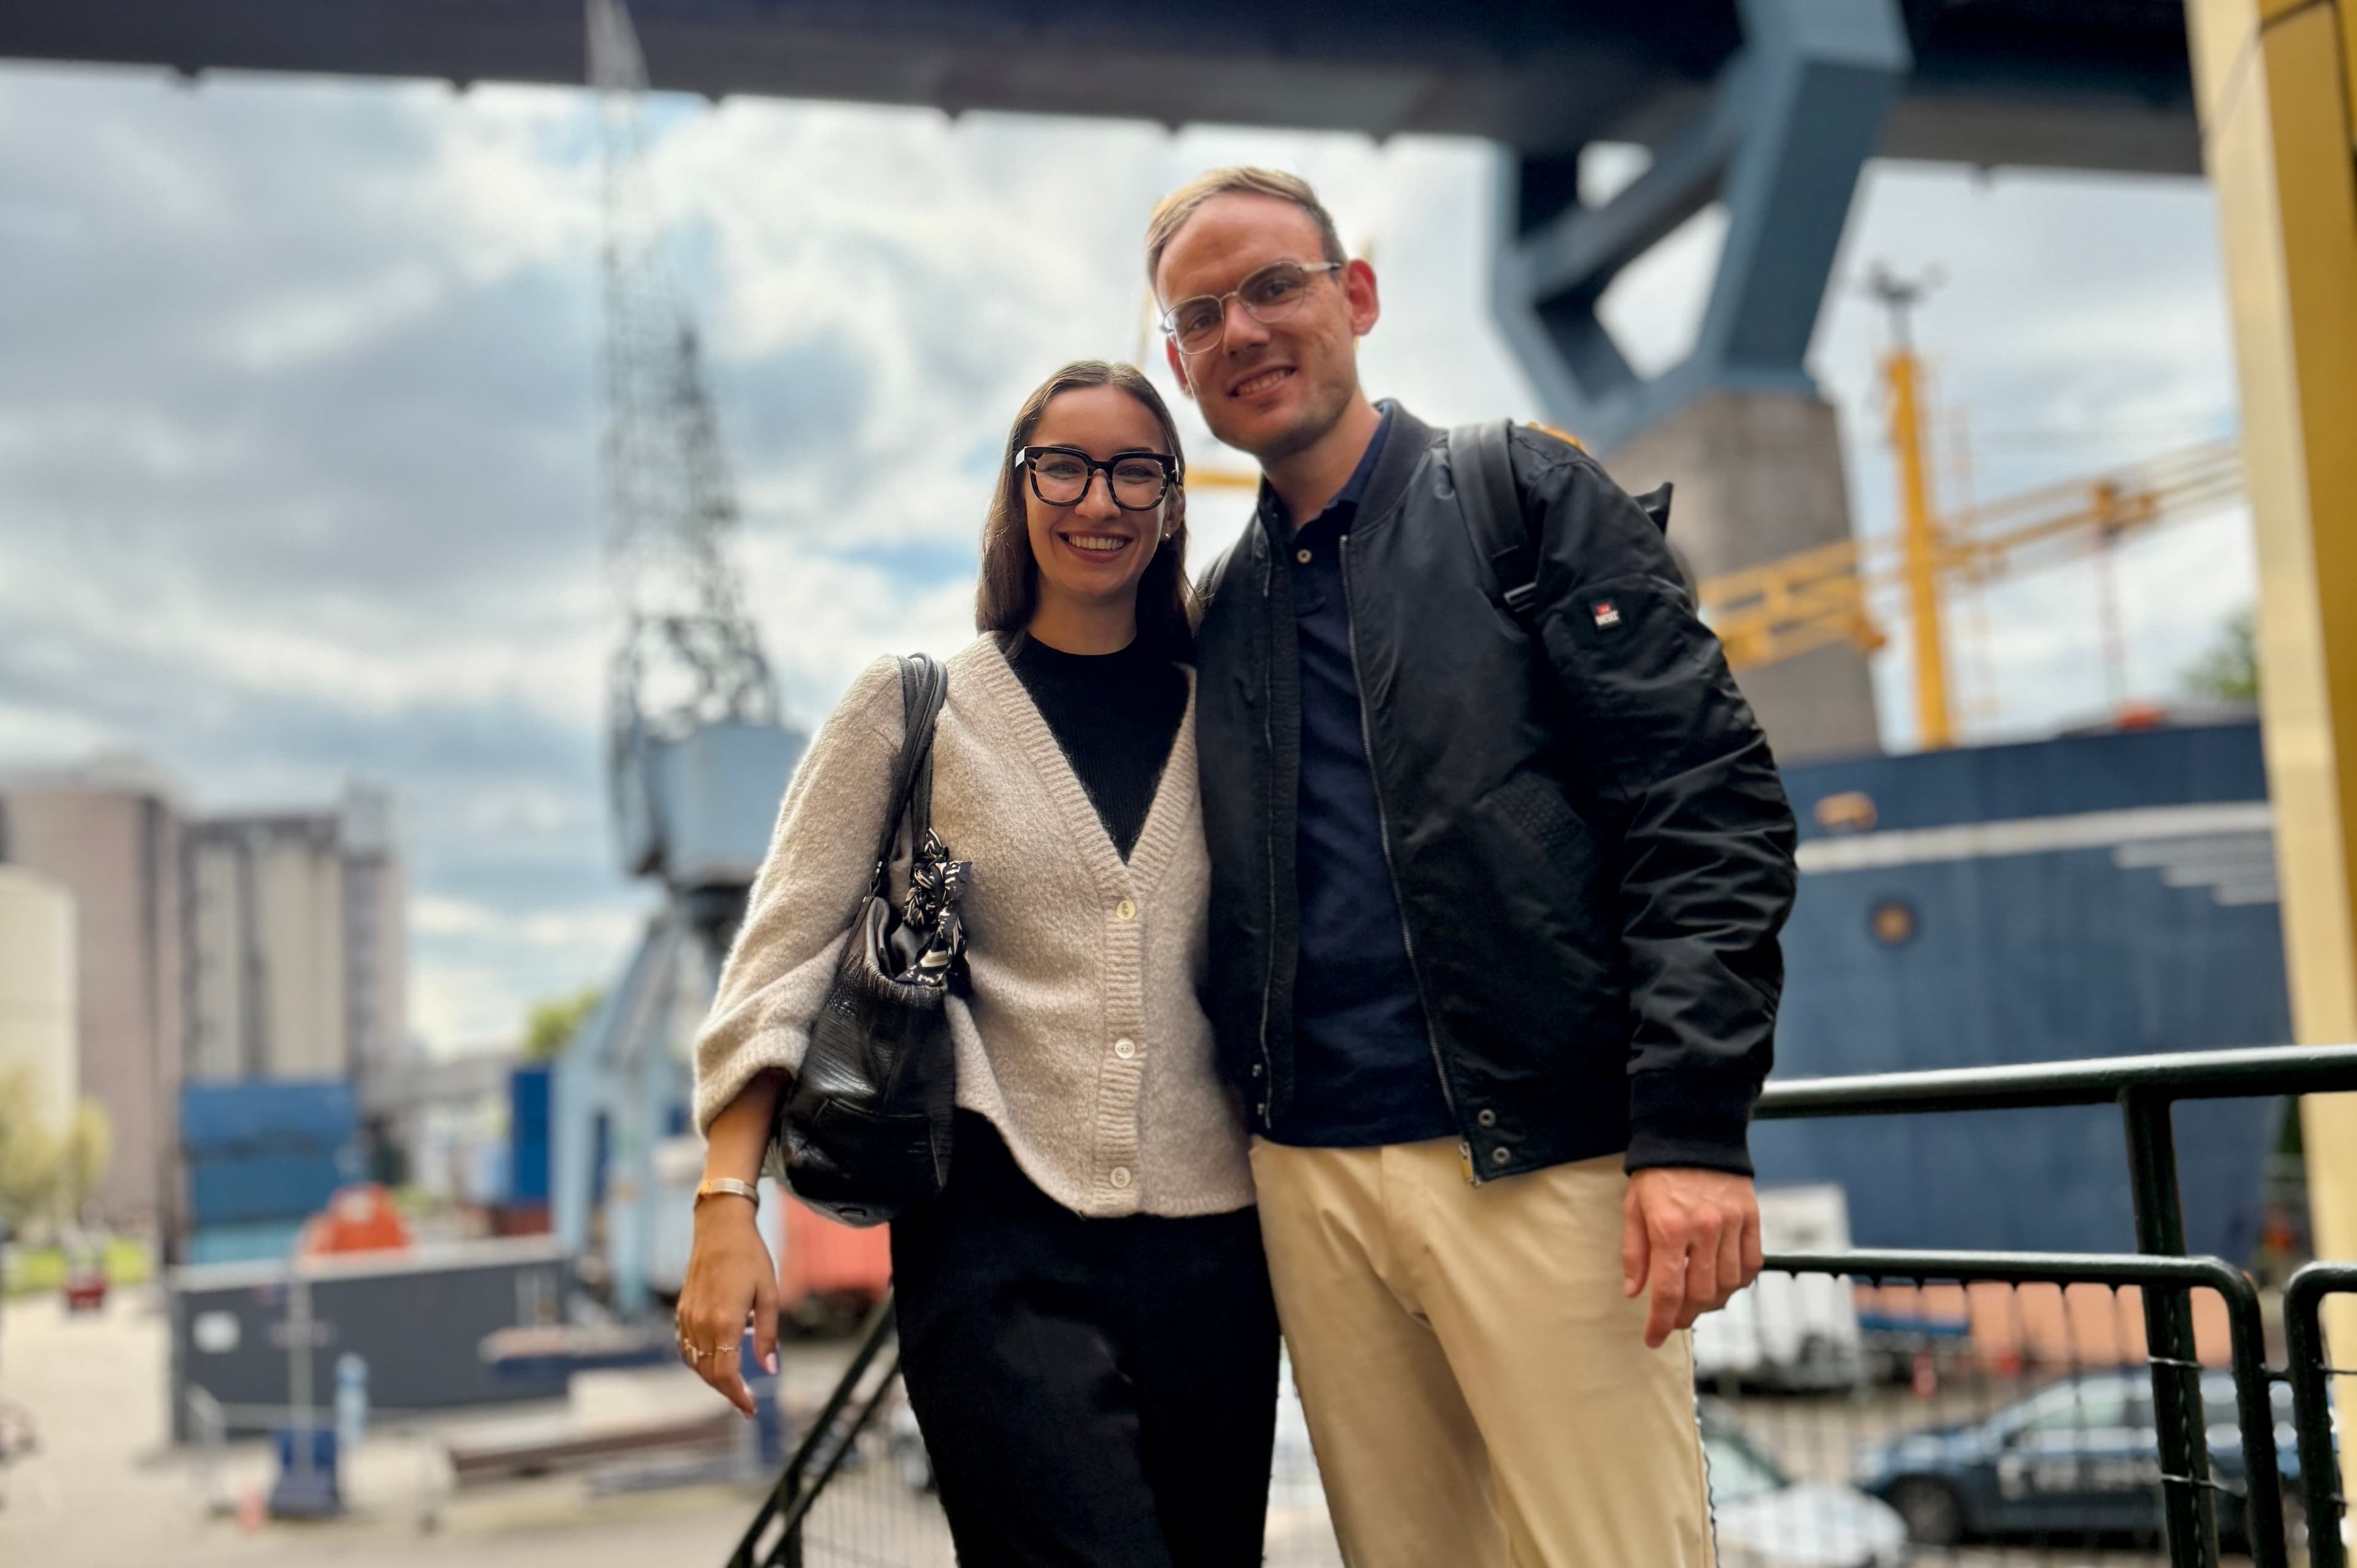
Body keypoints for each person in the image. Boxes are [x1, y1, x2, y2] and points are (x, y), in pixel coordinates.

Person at [1147, 166, 1800, 1568]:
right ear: (1180, 363)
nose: (1244, 330)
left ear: (1357, 295)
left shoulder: (1522, 495)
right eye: (1202, 314)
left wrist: (1690, 1126)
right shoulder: (1228, 609)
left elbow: (1707, 804)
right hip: (1310, 1186)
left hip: (1539, 1163)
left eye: (1275, 285)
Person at [678, 359, 1280, 1568]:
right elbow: (780, 965)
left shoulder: (1236, 708)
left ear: (1172, 502)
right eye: (1065, 464)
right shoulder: (916, 709)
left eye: (1135, 471)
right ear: (1019, 488)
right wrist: (723, 1206)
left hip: (1219, 1259)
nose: (1098, 498)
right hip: (996, 1250)